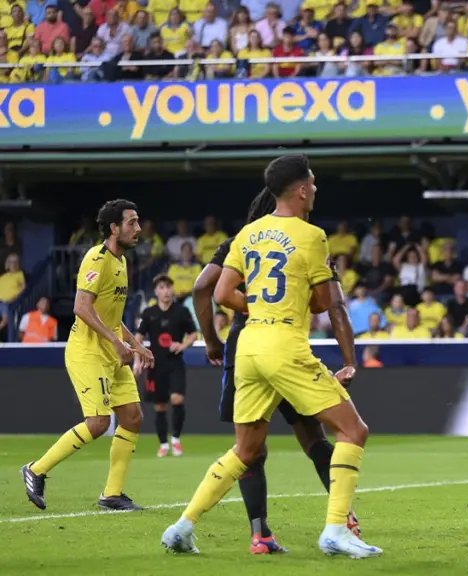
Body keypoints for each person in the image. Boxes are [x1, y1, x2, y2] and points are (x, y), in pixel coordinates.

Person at [162, 155, 380, 559]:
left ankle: (182, 526)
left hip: (247, 348)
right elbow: (323, 304)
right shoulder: (312, 236)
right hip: (285, 344)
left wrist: (259, 302)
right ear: (300, 190)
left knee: (245, 450)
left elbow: (223, 293)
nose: (315, 190)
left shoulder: (248, 234)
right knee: (353, 430)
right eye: (312, 184)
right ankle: (336, 529)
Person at [21, 200, 155, 512]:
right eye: (132, 223)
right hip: (87, 353)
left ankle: (112, 494)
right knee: (97, 422)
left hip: (112, 352)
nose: (138, 229)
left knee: (132, 417)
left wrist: (136, 344)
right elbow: (81, 308)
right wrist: (116, 343)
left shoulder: (121, 262)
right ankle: (36, 470)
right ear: (114, 228)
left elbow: (112, 317)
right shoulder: (97, 258)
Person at [134, 274, 197, 458]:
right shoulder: (149, 313)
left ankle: (176, 439)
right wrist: (137, 361)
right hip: (155, 365)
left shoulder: (182, 312)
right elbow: (138, 338)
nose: (166, 291)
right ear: (156, 291)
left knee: (177, 399)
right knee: (160, 406)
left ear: (172, 289)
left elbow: (193, 334)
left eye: (168, 287)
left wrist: (182, 345)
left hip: (175, 363)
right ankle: (163, 443)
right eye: (161, 288)